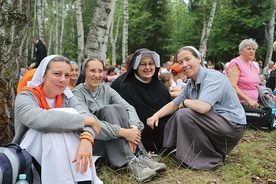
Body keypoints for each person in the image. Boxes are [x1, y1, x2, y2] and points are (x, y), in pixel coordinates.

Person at [147, 46, 246, 170]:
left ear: (199, 59)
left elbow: (203, 107)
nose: (185, 64)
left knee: (184, 114)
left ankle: (207, 159)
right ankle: (176, 151)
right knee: (182, 113)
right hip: (214, 124)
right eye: (181, 62)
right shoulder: (190, 83)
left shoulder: (213, 77)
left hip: (231, 127)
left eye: (188, 59)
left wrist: (185, 102)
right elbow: (174, 104)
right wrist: (155, 116)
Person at [72, 58, 166, 182]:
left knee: (119, 108)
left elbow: (129, 108)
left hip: (115, 141)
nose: (97, 75)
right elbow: (89, 121)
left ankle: (140, 156)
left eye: (100, 71)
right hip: (94, 141)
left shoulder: (106, 89)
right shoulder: (77, 93)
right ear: (84, 72)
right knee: (109, 110)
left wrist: (133, 128)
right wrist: (122, 132)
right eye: (92, 71)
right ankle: (131, 162)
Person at [13, 55, 102, 184]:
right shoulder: (26, 96)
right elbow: (41, 121)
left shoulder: (67, 96)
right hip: (30, 151)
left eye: (67, 75)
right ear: (43, 75)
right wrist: (85, 121)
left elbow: (89, 117)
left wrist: (87, 138)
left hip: (62, 153)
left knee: (63, 126)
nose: (62, 80)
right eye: (57, 74)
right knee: (55, 128)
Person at [115, 48, 172, 153]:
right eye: (143, 64)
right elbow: (141, 116)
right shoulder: (127, 87)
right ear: (135, 66)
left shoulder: (160, 86)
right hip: (141, 132)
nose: (148, 67)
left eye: (151, 63)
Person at [227, 38, 261, 108]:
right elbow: (232, 86)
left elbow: (255, 85)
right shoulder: (236, 63)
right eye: (248, 49)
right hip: (240, 104)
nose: (252, 51)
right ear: (241, 51)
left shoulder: (253, 65)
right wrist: (248, 100)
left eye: (253, 49)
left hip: (254, 103)